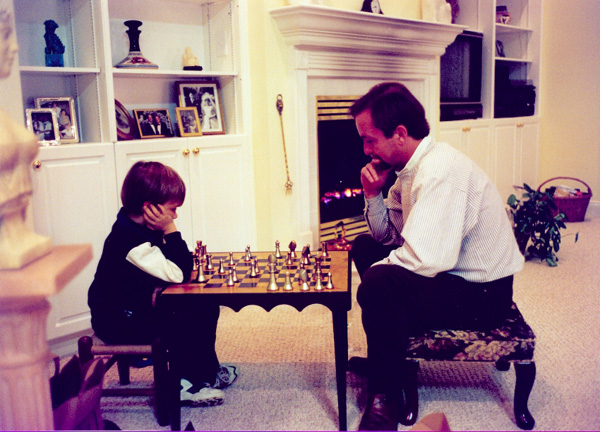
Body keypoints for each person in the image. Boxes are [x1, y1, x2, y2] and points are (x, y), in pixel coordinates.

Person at [347, 82, 524, 430]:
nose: (366, 149)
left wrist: (374, 280)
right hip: (454, 275)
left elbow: (427, 258)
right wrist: (372, 195)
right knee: (364, 246)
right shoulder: (408, 170)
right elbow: (388, 236)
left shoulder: (440, 171)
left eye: (370, 139)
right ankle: (388, 353)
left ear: (399, 134)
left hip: (483, 294)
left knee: (378, 284)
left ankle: (387, 398)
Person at [87, 161, 239, 406]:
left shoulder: (136, 226)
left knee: (205, 304)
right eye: (173, 209)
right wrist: (170, 228)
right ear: (150, 208)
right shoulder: (131, 242)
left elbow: (172, 265)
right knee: (186, 315)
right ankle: (183, 384)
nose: (175, 215)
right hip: (118, 322)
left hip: (132, 309)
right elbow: (180, 272)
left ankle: (206, 373)